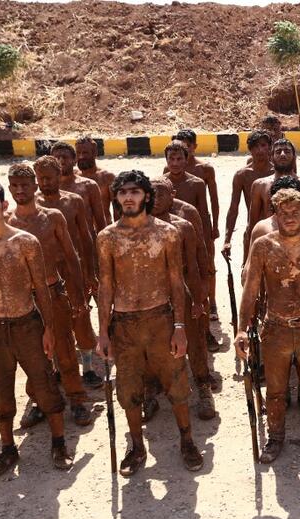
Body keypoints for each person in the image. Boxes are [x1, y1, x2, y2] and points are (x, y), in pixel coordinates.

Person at [96, 170, 203, 476]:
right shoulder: (107, 237)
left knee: (177, 384)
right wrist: (103, 332)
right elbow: (105, 285)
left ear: (146, 196)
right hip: (125, 323)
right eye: (122, 192)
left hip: (161, 318)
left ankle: (187, 441)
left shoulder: (167, 233)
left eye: (135, 192)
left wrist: (180, 327)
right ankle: (137, 447)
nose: (128, 197)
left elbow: (175, 282)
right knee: (129, 389)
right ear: (116, 197)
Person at [0, 179, 74, 477]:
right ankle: (7, 447)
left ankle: (59, 442)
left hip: (28, 323)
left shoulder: (25, 242)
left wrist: (49, 329)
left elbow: (41, 288)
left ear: (4, 205)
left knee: (44, 383)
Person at [234, 188, 300, 464]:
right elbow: (251, 290)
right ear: (275, 215)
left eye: (296, 212)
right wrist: (242, 328)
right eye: (284, 212)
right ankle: (275, 436)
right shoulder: (263, 246)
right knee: (276, 389)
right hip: (275, 327)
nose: (290, 217)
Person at [6, 163, 93, 427]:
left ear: (35, 186)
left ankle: (77, 400)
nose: (20, 190)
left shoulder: (53, 217)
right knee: (33, 354)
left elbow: (71, 256)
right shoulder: (6, 220)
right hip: (23, 300)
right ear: (9, 188)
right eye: (15, 185)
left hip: (55, 291)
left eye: (25, 184)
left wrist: (78, 295)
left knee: (64, 348)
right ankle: (39, 401)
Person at [150, 177, 216, 420]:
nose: (156, 199)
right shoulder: (137, 226)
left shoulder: (183, 226)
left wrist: (199, 300)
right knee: (153, 343)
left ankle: (203, 386)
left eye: (161, 194)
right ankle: (152, 388)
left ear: (172, 195)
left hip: (184, 292)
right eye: (151, 194)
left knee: (195, 340)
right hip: (152, 296)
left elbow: (195, 266)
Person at [34, 156, 102, 388]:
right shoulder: (32, 205)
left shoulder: (73, 201)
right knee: (49, 321)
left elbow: (86, 237)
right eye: (40, 178)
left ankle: (89, 368)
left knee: (80, 315)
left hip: (75, 268)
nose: (44, 182)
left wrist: (91, 272)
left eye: (49, 177)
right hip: (47, 274)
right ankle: (55, 369)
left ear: (59, 174)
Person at [164, 140, 220, 352]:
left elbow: (203, 214)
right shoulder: (161, 183)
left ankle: (205, 333)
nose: (176, 163)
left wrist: (205, 243)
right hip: (171, 243)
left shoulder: (196, 183)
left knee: (197, 291)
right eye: (172, 159)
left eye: (180, 159)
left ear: (186, 160)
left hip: (193, 240)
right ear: (166, 160)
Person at [246, 138, 300, 253]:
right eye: (278, 152)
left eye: (287, 151)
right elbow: (252, 224)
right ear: (271, 156)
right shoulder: (260, 185)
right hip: (269, 245)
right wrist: (247, 259)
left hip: (299, 245)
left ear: (294, 156)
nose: (283, 154)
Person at [224, 129, 273, 255]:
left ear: (270, 148)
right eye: (256, 146)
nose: (260, 150)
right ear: (250, 150)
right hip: (252, 231)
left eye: (263, 145)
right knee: (248, 272)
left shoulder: (278, 173)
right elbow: (233, 208)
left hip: (276, 232)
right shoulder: (242, 175)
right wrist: (227, 240)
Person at [51, 141, 106, 235]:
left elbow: (100, 220)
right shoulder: (48, 187)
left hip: (86, 244)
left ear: (74, 160)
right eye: (57, 158)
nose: (60, 161)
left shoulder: (89, 186)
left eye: (65, 157)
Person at [75, 135, 116, 224]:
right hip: (81, 233)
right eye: (78, 153)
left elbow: (117, 210)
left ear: (95, 153)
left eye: (85, 153)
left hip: (103, 230)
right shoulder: (73, 177)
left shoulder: (107, 177)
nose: (81, 156)